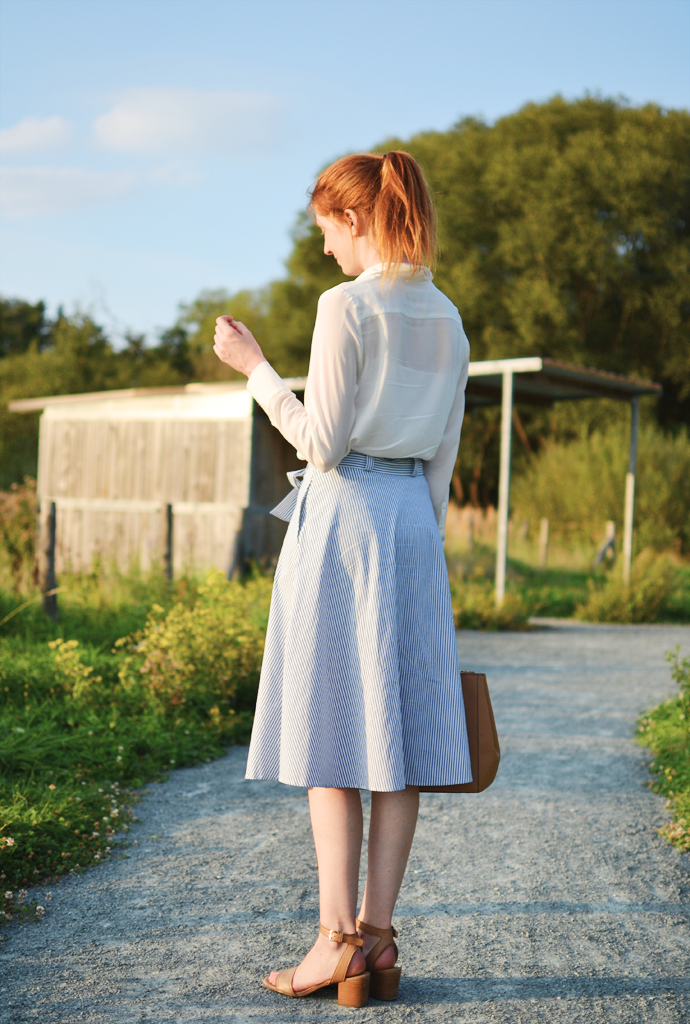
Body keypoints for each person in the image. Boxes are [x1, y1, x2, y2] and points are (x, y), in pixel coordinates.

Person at [213, 151, 471, 1008]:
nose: (324, 251)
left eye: (326, 231)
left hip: (344, 515)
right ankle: (381, 939)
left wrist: (256, 369)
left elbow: (319, 443)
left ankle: (333, 945)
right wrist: (417, 541)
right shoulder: (448, 316)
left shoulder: (344, 306)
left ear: (354, 219)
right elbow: (442, 460)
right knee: (394, 742)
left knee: (332, 735)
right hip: (410, 526)